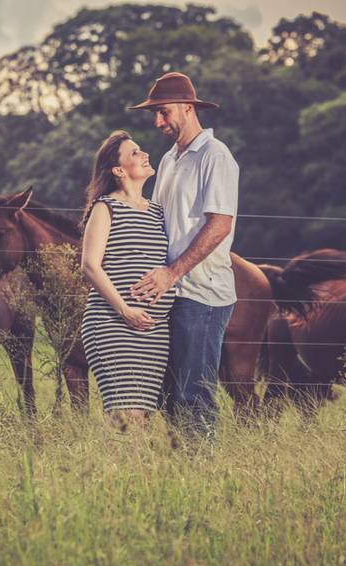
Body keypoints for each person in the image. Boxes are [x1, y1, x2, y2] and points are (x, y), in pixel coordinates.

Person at [128, 72, 239, 439]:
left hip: (202, 296)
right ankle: (180, 472)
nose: (158, 122)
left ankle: (203, 474)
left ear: (188, 108)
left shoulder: (215, 156)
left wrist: (171, 273)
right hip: (170, 293)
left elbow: (220, 224)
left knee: (194, 393)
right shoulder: (169, 160)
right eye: (155, 115)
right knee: (168, 396)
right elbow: (156, 220)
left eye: (164, 112)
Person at [79, 130, 176, 428]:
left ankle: (134, 474)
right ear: (119, 170)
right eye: (135, 153)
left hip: (154, 334)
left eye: (141, 149)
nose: (145, 154)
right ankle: (122, 472)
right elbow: (90, 266)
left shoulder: (158, 212)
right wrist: (126, 310)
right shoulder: (106, 207)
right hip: (114, 325)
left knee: (142, 417)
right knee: (126, 415)